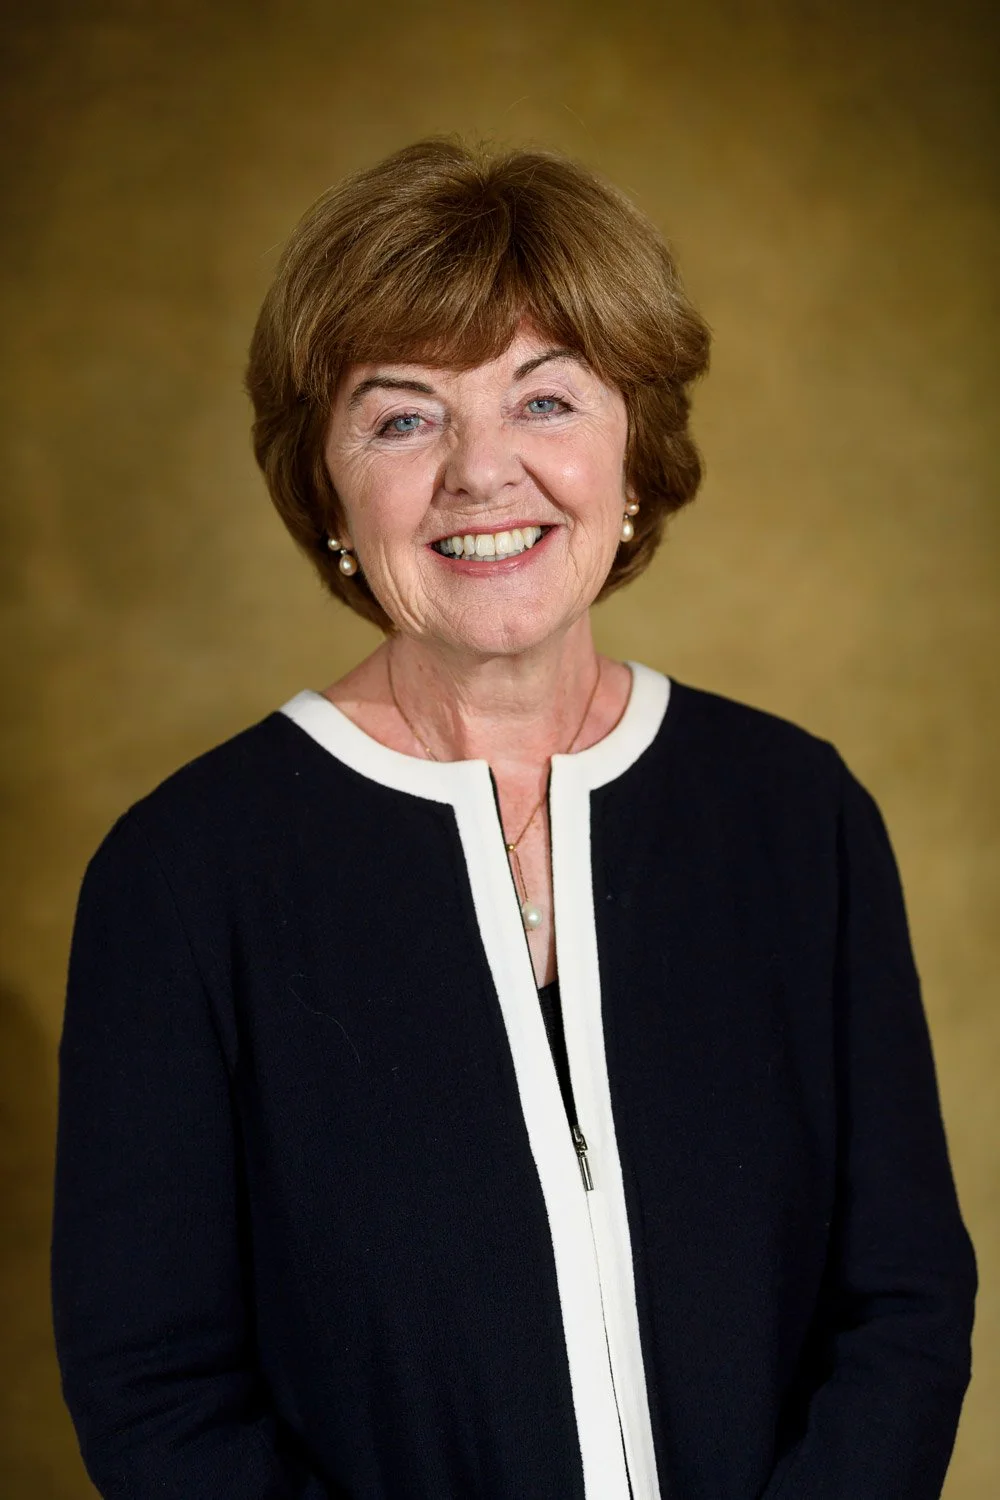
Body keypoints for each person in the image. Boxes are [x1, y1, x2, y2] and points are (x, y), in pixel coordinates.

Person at [51, 138, 977, 1500]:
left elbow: (902, 1302)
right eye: (403, 415)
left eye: (546, 401)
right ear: (330, 498)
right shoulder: (184, 878)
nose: (485, 474)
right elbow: (160, 1394)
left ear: (636, 455)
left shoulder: (798, 818)